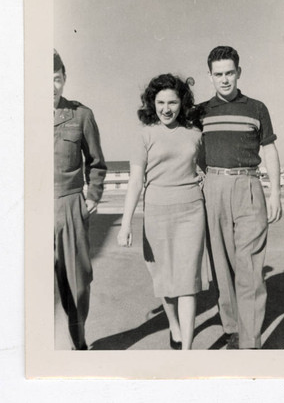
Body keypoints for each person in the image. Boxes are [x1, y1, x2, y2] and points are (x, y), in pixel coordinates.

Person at [198, 46, 282, 349]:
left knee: (249, 268)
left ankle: (249, 342)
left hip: (248, 186)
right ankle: (232, 327)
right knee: (222, 265)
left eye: (229, 73)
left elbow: (269, 149)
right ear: (210, 76)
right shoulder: (201, 112)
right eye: (218, 74)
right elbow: (192, 151)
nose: (224, 79)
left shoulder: (257, 108)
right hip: (213, 188)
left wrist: (276, 193)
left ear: (238, 73)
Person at [117, 74, 208, 350]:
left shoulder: (195, 133)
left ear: (183, 103)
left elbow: (203, 167)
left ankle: (187, 353)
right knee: (164, 279)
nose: (166, 108)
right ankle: (174, 324)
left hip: (192, 210)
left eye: (173, 102)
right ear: (151, 103)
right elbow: (135, 181)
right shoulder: (144, 135)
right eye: (160, 102)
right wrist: (125, 225)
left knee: (188, 281)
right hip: (156, 213)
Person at [54, 49, 107, 350]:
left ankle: (79, 341)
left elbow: (96, 162)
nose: (51, 87)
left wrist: (92, 197)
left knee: (78, 281)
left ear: (64, 79)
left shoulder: (81, 115)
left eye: (57, 79)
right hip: (32, 209)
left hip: (71, 204)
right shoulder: (18, 112)